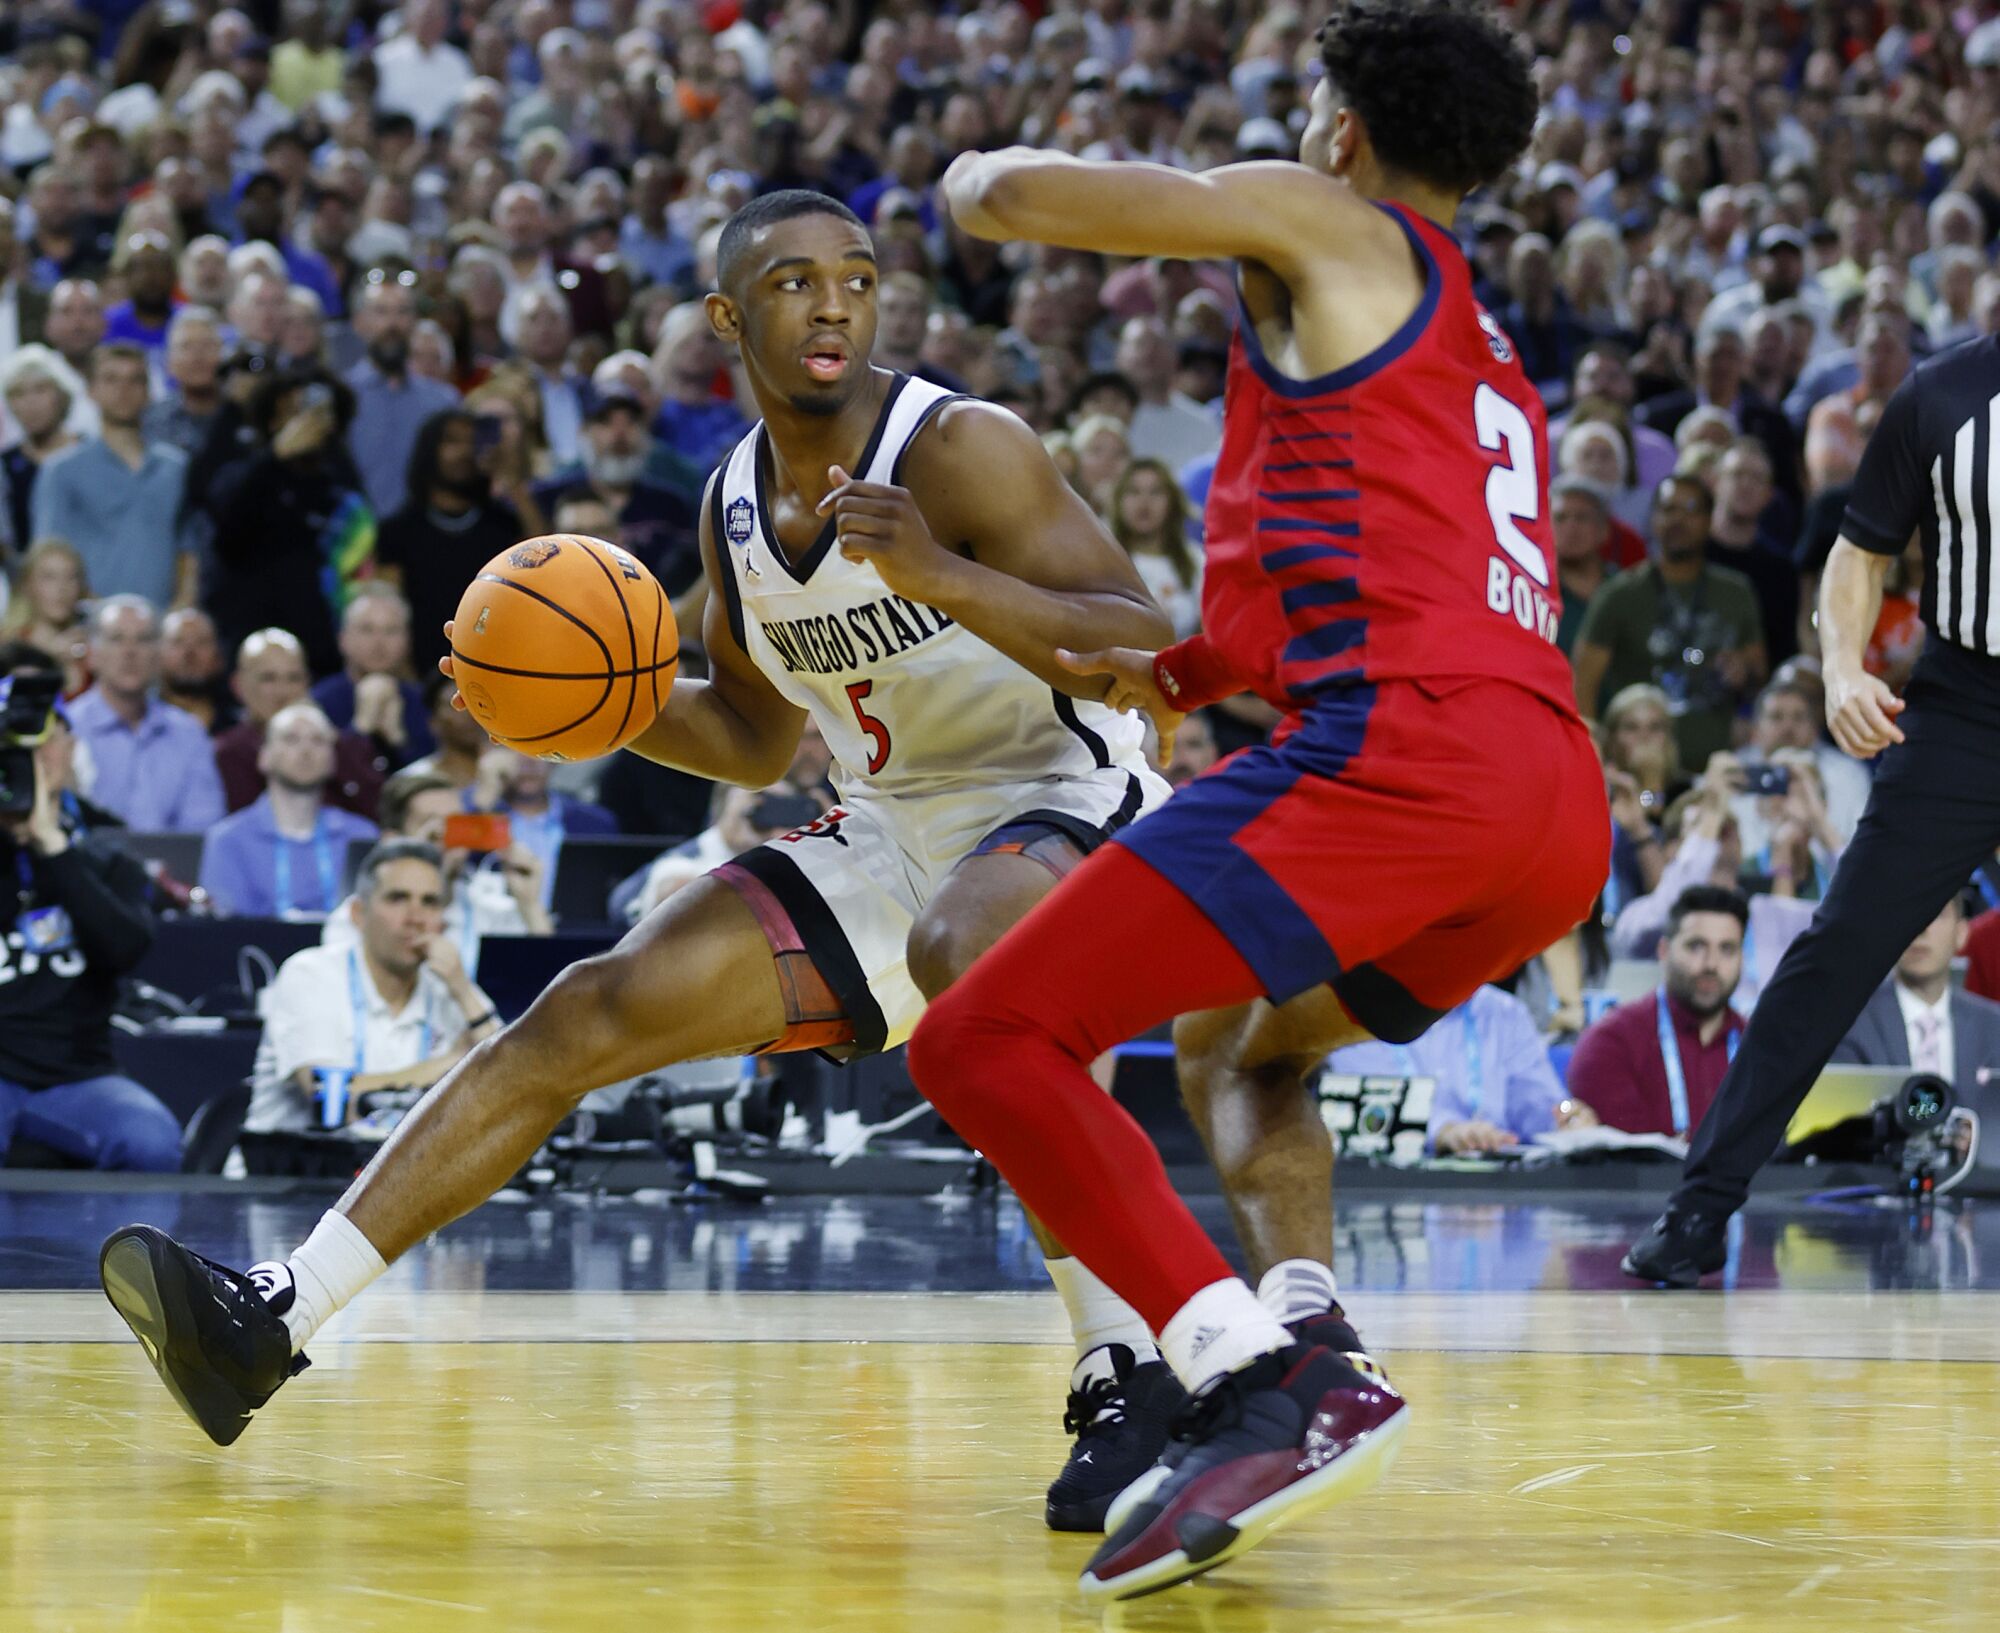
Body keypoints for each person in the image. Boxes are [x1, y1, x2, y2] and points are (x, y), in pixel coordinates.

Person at [100, 195, 1184, 1532]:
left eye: (856, 279)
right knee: (582, 1014)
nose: (834, 303)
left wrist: (949, 578)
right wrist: (565, 701)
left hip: (1072, 798)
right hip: (891, 829)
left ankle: (1125, 1363)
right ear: (728, 319)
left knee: (971, 959)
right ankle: (272, 1317)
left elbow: (1144, 644)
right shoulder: (734, 505)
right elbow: (747, 735)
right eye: (793, 282)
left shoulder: (961, 445)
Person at [907, 2, 1604, 1600]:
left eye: (1307, 105)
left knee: (981, 1039)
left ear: (1342, 127)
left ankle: (1253, 1383)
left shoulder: (1326, 220)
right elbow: (1359, 573)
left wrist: (964, 170)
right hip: (1549, 804)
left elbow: (1020, 200)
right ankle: (1308, 1306)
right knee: (1246, 1040)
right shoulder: (1480, 341)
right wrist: (1198, 662)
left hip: (1407, 757)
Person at [1623, 318, 2000, 1286]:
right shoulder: (1938, 396)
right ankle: (1698, 1208)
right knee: (1834, 953)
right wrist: (1837, 667)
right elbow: (1857, 550)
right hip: (1963, 706)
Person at [0, 694, 179, 1172]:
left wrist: (52, 847)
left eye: (44, 743)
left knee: (152, 1142)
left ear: (69, 748)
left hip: (78, 1076)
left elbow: (126, 948)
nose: (31, 761)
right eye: (13, 749)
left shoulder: (106, 860)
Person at [243, 840, 501, 1135]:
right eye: (397, 898)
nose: (416, 918)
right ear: (358, 914)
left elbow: (511, 1086)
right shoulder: (311, 974)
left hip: (405, 1174)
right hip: (291, 1170)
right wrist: (452, 1064)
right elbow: (331, 1099)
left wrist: (464, 992)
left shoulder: (450, 986)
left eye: (430, 902)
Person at [1571, 474, 1767, 770]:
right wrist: (1594, 757)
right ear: (1653, 520)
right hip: (1637, 770)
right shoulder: (1619, 594)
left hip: (1715, 769)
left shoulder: (1736, 592)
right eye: (1668, 509)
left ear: (1709, 519)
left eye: (1690, 509)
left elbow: (1759, 671)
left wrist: (1744, 669)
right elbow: (1582, 685)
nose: (1678, 519)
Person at [201, 368, 375, 676]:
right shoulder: (242, 476)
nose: (305, 423)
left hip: (326, 654)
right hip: (255, 649)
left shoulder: (342, 488)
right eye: (292, 413)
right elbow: (226, 538)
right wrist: (276, 456)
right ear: (270, 422)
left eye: (315, 412)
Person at [1568, 886, 1749, 1137]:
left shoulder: (1760, 1046)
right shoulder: (1609, 1043)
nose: (1711, 964)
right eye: (1696, 946)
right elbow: (1628, 1167)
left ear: (1743, 957)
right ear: (1664, 951)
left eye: (1727, 949)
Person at [31, 345, 195, 611]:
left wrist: (182, 607)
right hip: (91, 626)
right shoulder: (61, 471)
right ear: (90, 391)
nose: (123, 390)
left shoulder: (176, 467)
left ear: (149, 392)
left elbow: (189, 547)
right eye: (111, 379)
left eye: (135, 380)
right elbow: (48, 557)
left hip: (163, 629)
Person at [1325, 983, 1567, 1154]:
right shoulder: (1359, 1011)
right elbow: (1366, 1108)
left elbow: (1539, 1109)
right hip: (1392, 1186)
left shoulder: (1505, 1012)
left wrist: (1565, 1118)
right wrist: (1443, 1131)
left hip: (1493, 1184)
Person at [374, 410, 526, 678]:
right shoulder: (397, 530)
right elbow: (391, 611)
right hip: (423, 675)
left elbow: (543, 560)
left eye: (472, 442)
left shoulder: (504, 523)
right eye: (452, 441)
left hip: (497, 668)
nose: (464, 451)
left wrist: (512, 481)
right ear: (429, 449)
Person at [199, 702, 381, 917]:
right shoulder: (228, 840)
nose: (305, 750)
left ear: (333, 760)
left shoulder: (362, 836)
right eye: (291, 739)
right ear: (264, 756)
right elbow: (224, 927)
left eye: (318, 740)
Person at [65, 597, 226, 831]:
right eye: (116, 639)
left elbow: (200, 832)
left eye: (143, 639)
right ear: (92, 655)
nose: (130, 652)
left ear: (159, 654)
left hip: (175, 867)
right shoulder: (67, 729)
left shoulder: (189, 734)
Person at [1832, 894, 2000, 1100]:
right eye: (1909, 913)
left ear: (1961, 933)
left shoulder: (1994, 1027)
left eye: (1936, 913)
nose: (1921, 928)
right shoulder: (1847, 1025)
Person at [212, 628, 385, 820]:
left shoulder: (339, 743)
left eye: (294, 678)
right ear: (239, 685)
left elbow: (377, 813)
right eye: (268, 678)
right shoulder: (226, 752)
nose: (283, 691)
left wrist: (335, 745)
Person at [344, 274, 462, 519]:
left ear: (414, 321)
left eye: (402, 312)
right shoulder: (341, 397)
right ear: (359, 323)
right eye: (381, 312)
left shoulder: (443, 401)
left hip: (426, 540)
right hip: (355, 541)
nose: (392, 324)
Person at [310, 585, 436, 771]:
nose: (379, 642)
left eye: (391, 631)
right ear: (343, 639)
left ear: (407, 641)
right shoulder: (317, 704)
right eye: (367, 629)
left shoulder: (427, 704)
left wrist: (398, 739)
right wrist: (360, 729)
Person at [0, 346, 83, 551]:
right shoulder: (5, 465)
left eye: (40, 389)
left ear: (62, 395)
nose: (30, 403)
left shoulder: (91, 455)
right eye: (18, 393)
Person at [142, 307, 227, 458]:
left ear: (224, 356)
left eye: (207, 345)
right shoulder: (152, 419)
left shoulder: (246, 412)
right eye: (186, 347)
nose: (197, 356)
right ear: (169, 362)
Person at [158, 607, 237, 733]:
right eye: (178, 641)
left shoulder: (238, 731)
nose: (189, 652)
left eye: (201, 642)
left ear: (219, 657)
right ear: (157, 655)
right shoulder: (135, 723)